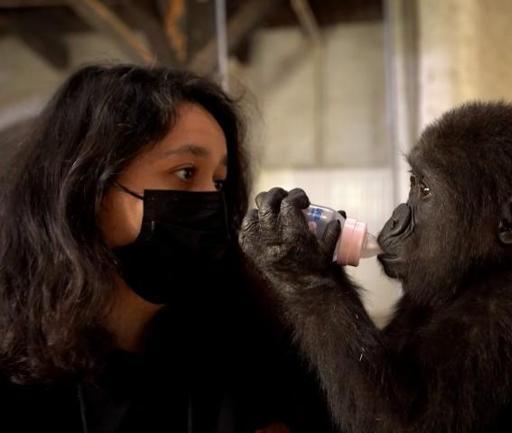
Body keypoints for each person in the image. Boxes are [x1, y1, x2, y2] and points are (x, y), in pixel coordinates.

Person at [0, 64, 334, 433]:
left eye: (220, 183)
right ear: (89, 190)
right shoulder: (16, 371)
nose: (211, 201)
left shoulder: (246, 346)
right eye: (186, 172)